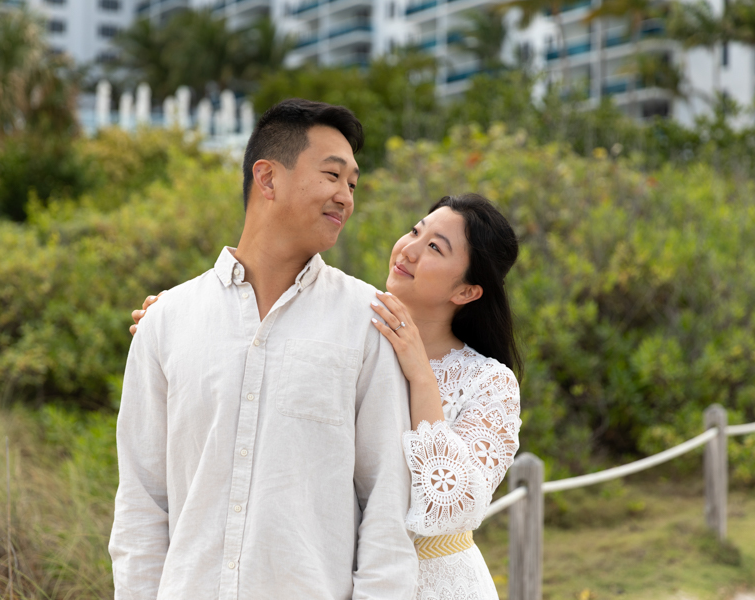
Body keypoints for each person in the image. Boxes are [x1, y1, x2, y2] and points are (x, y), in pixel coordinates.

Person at [132, 193, 523, 600]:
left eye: (434, 248)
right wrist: (176, 320)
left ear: (466, 292)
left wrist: (421, 375)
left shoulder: (488, 383)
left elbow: (453, 507)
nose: (408, 249)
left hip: (438, 584)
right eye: (415, 231)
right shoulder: (348, 328)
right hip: (340, 576)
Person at [109, 98, 419, 600]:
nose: (346, 197)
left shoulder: (368, 320)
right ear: (268, 178)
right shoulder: (167, 321)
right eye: (332, 175)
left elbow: (387, 504)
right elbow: (142, 505)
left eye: (353, 184)